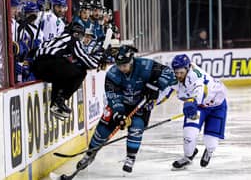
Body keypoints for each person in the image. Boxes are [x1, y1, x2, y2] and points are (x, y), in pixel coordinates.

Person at [76, 45, 177, 173]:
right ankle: (89, 155)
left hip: (141, 103)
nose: (121, 68)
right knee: (103, 128)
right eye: (119, 65)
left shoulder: (145, 65)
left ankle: (130, 157)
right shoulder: (113, 73)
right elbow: (113, 96)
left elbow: (168, 72)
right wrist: (119, 114)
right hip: (121, 105)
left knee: (136, 127)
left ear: (131, 61)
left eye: (124, 65)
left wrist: (157, 86)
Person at [31, 22, 106, 118]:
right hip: (51, 63)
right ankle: (60, 99)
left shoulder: (56, 39)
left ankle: (56, 103)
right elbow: (84, 59)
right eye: (82, 36)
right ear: (77, 34)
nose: (82, 39)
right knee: (80, 72)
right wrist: (98, 62)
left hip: (38, 67)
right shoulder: (72, 39)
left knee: (62, 75)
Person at [170, 54, 227, 170]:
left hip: (217, 106)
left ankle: (209, 151)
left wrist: (192, 101)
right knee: (189, 135)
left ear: (187, 68)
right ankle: (188, 157)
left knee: (211, 142)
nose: (178, 75)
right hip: (199, 106)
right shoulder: (177, 76)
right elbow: (166, 91)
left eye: (181, 72)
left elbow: (200, 91)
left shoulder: (195, 76)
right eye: (176, 72)